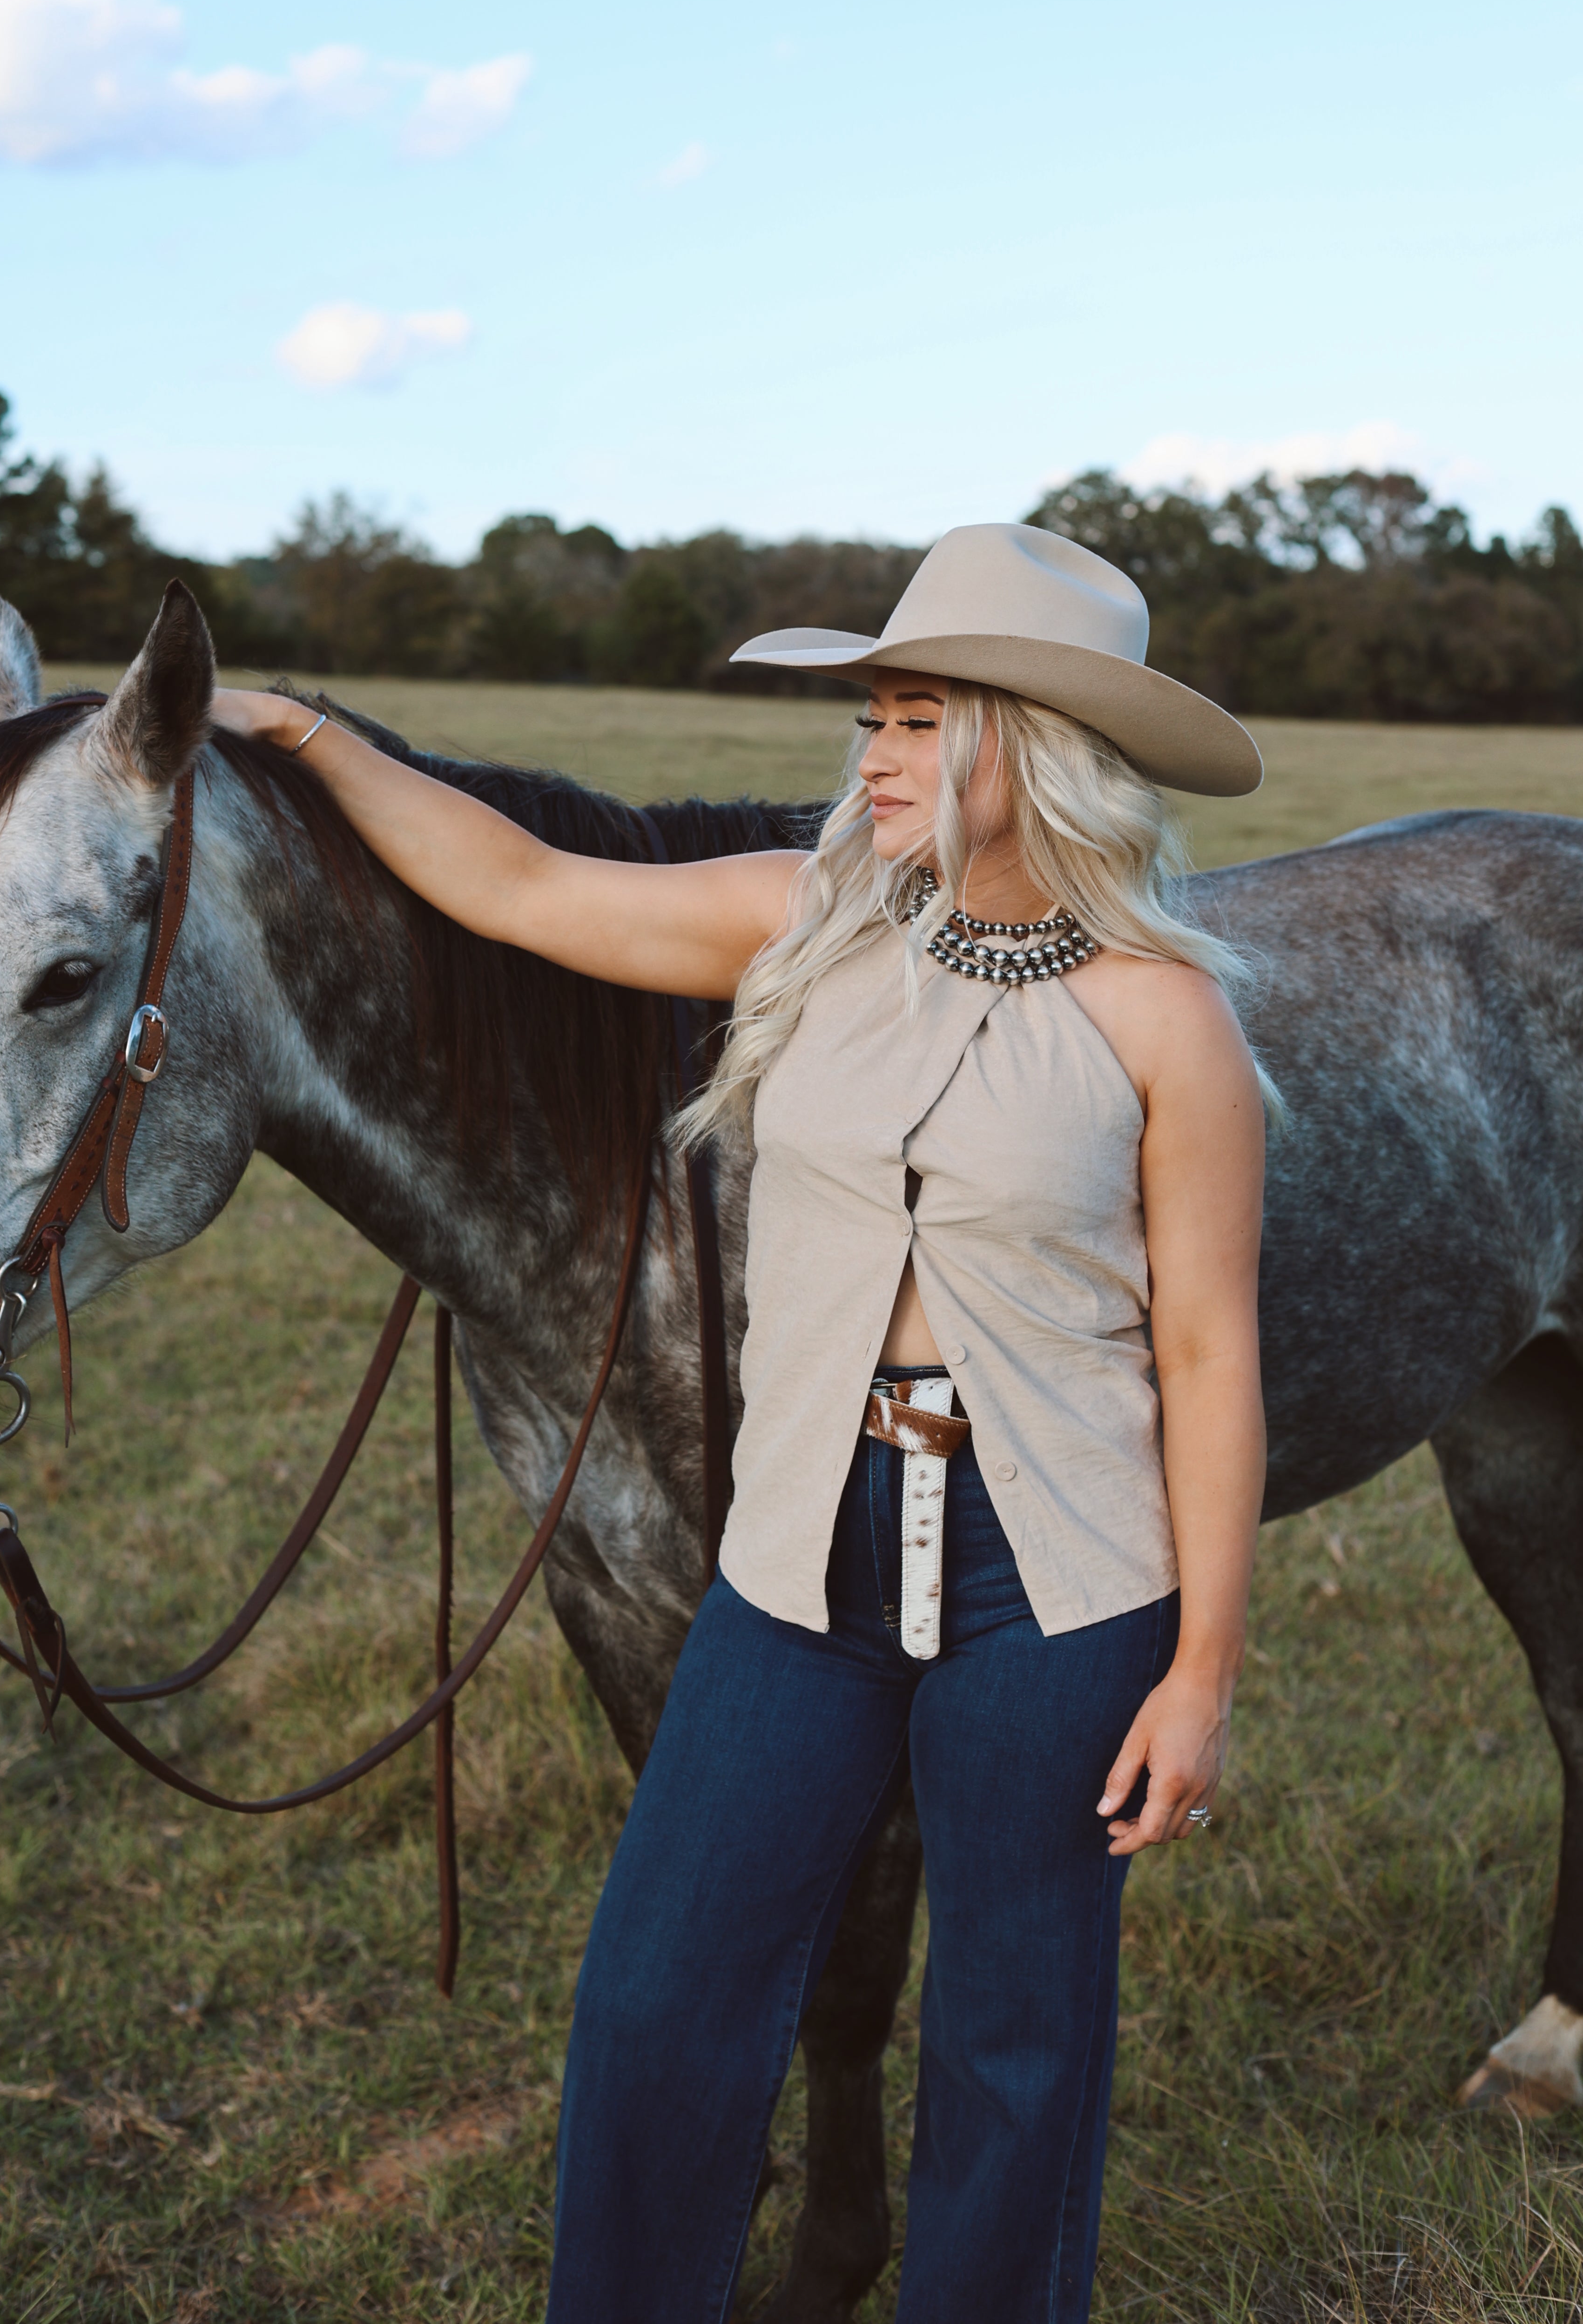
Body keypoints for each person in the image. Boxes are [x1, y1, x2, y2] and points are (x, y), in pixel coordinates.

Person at [212, 520, 1271, 2323]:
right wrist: (318, 739)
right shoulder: (801, 923)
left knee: (1017, 2044)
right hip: (802, 1545)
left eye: (921, 718)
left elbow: (1208, 1355)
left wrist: (1204, 1674)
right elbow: (525, 889)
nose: (871, 752)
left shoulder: (1171, 1026)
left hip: (1055, 1579)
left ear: (1039, 746)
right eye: (871, 714)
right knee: (657, 1998)